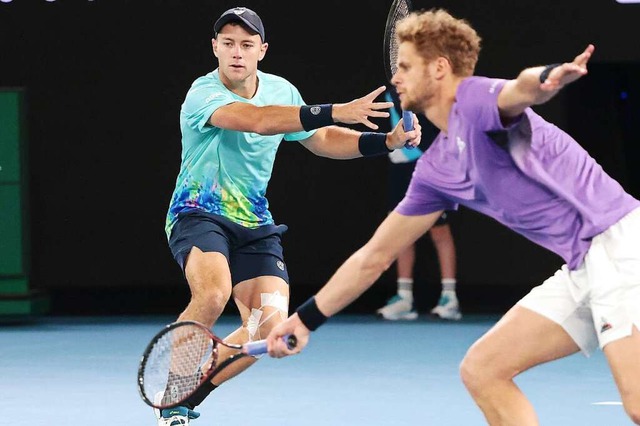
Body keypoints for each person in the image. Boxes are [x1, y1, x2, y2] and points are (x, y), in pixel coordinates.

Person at [267, 8, 640, 425]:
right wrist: (305, 319)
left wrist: (548, 76)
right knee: (484, 370)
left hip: (621, 246)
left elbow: (520, 89)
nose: (396, 77)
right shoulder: (436, 169)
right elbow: (375, 256)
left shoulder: (476, 100)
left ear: (440, 68)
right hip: (583, 265)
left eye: (406, 66)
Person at [158, 6, 421, 426]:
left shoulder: (281, 89)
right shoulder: (202, 94)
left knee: (268, 329)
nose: (237, 53)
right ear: (215, 48)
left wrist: (383, 142)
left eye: (246, 45)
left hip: (256, 225)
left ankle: (190, 396)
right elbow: (259, 122)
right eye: (228, 44)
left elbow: (320, 140)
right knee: (212, 293)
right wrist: (337, 108)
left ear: (261, 50)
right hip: (199, 213)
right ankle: (172, 392)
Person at [376, 87, 460, 321]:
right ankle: (404, 298)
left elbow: (441, 126)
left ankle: (450, 297)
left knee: (439, 230)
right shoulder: (395, 87)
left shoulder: (427, 87)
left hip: (430, 164)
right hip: (399, 167)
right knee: (400, 231)